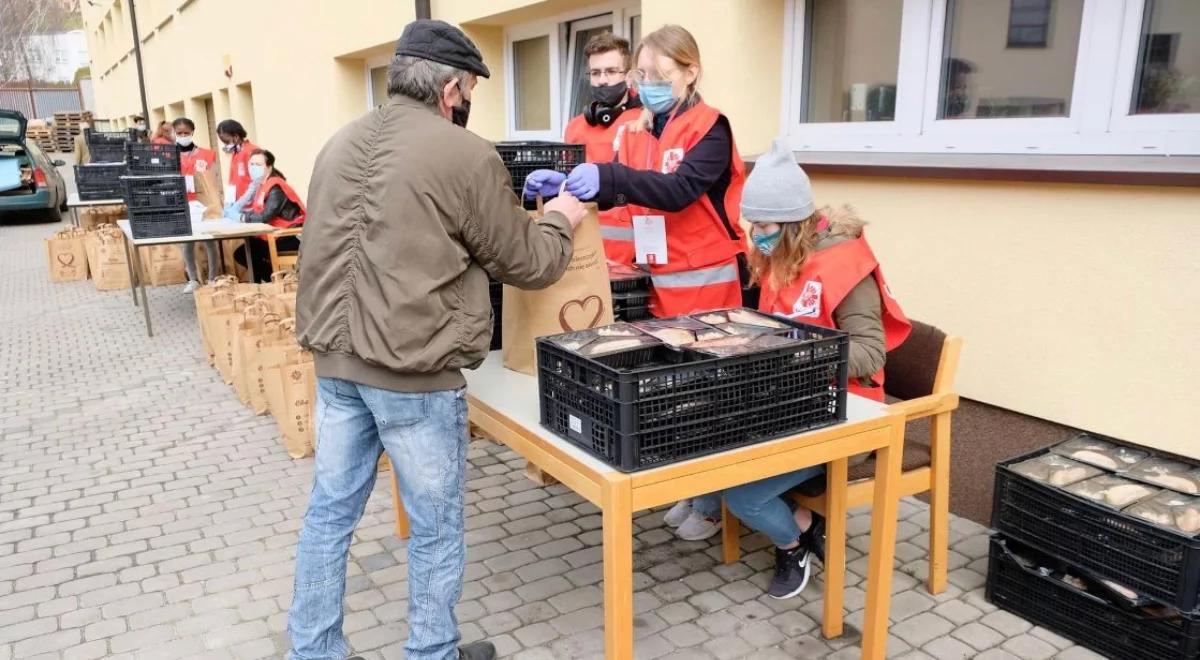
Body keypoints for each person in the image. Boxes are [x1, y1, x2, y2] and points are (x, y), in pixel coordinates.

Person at [290, 19, 586, 660]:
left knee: (329, 516)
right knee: (436, 528)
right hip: (412, 374)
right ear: (451, 88)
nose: (471, 99)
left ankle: (312, 650)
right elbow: (529, 263)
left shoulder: (337, 143)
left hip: (337, 365)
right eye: (472, 87)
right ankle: (432, 652)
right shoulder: (465, 153)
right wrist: (561, 217)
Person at [717, 138, 913, 600]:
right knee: (708, 454)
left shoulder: (845, 264)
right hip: (791, 404)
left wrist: (800, 360)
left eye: (762, 225)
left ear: (791, 223)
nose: (755, 236)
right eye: (752, 224)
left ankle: (793, 542)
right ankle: (807, 520)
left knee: (742, 494)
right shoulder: (783, 255)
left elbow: (872, 353)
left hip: (845, 415)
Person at [525, 24, 749, 318]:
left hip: (704, 286)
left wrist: (608, 176)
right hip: (647, 282)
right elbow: (620, 192)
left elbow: (677, 190)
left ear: (690, 73)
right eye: (642, 75)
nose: (648, 84)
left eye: (659, 76)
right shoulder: (636, 131)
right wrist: (566, 186)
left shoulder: (709, 127)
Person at [562, 32, 643, 264]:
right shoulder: (575, 128)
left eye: (610, 71)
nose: (603, 80)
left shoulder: (644, 122)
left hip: (635, 257)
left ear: (628, 76)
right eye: (595, 73)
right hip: (584, 250)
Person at [232, 149, 304, 282]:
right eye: (251, 164)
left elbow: (266, 215)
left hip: (288, 237)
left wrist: (242, 218)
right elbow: (258, 210)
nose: (253, 168)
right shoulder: (263, 184)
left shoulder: (276, 187)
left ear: (269, 166)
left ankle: (277, 281)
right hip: (274, 235)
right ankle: (274, 282)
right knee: (245, 252)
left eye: (258, 165)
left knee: (246, 253)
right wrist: (241, 214)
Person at [173, 117, 221, 292]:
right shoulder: (169, 155)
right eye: (179, 133)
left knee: (210, 241)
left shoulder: (206, 154)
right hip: (183, 203)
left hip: (203, 204)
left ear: (193, 132)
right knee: (187, 243)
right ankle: (193, 279)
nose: (183, 136)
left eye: (186, 133)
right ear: (174, 133)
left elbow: (213, 180)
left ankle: (213, 278)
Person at [216, 118, 258, 201]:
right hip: (238, 204)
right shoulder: (236, 153)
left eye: (226, 142)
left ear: (236, 137)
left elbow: (258, 181)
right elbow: (233, 181)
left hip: (250, 205)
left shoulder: (252, 151)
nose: (225, 145)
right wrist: (229, 202)